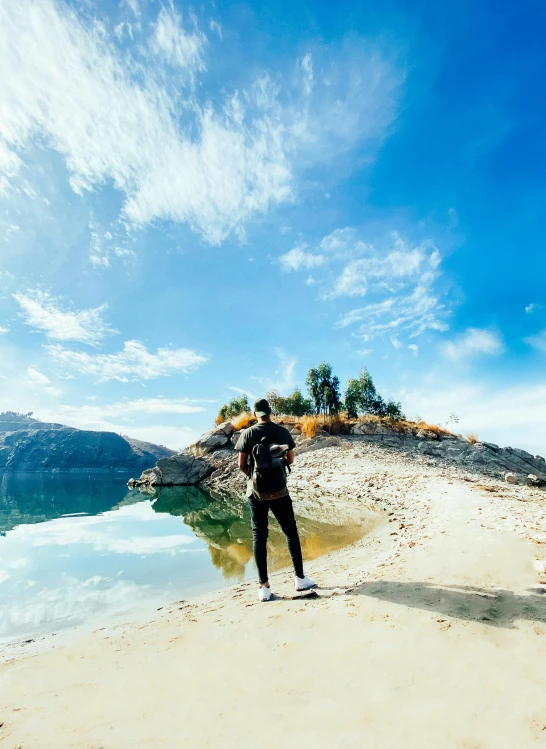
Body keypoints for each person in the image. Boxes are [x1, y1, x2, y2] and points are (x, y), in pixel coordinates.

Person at [235, 398, 316, 601]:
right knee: (291, 532)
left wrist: (254, 478)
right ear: (270, 412)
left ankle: (264, 587)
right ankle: (299, 578)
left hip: (256, 493)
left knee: (259, 537)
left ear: (255, 415)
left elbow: (241, 465)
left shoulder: (247, 433)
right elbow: (290, 459)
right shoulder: (282, 432)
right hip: (280, 491)